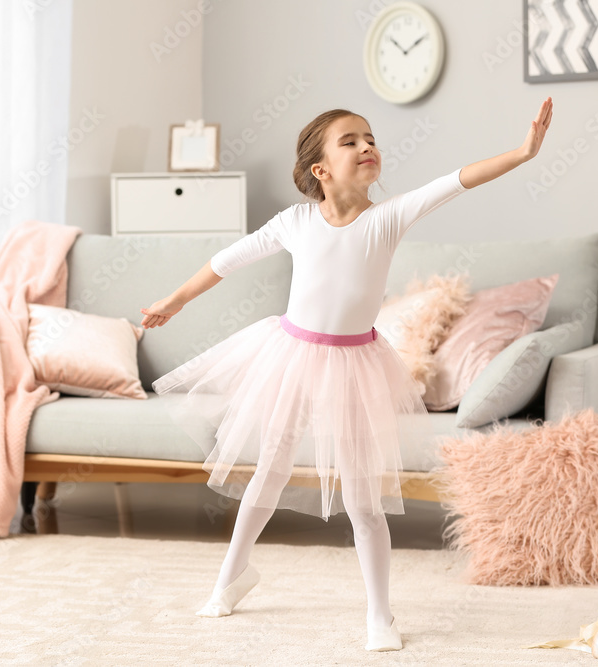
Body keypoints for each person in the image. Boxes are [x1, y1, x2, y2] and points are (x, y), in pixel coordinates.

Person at [140, 99, 553, 652]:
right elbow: (226, 260)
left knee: (363, 497)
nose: (367, 146)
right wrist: (175, 300)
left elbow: (457, 181)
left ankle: (379, 614)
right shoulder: (294, 221)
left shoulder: (389, 216)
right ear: (321, 170)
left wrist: (524, 153)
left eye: (370, 138)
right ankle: (231, 578)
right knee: (270, 467)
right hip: (290, 353)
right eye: (350, 141)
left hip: (357, 363)